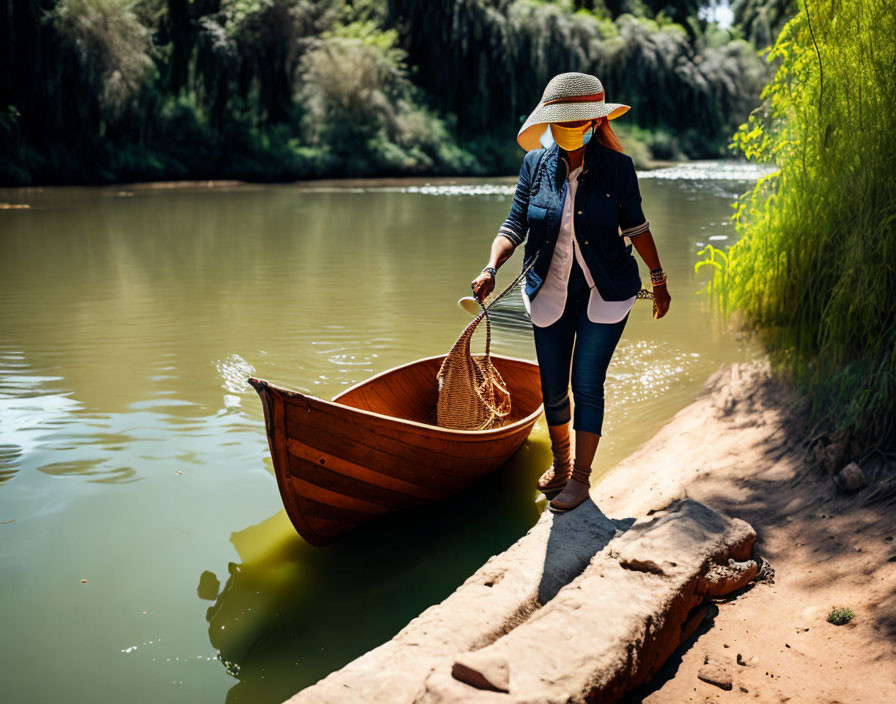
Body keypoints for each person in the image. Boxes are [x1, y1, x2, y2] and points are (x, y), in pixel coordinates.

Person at [470, 72, 671, 513]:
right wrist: (491, 266)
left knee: (587, 384)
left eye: (571, 121)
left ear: (593, 123)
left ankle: (581, 478)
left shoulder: (617, 168)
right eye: (556, 122)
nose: (562, 130)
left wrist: (658, 278)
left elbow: (636, 227)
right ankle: (561, 466)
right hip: (548, 289)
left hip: (606, 291)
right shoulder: (535, 166)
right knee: (552, 386)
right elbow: (513, 225)